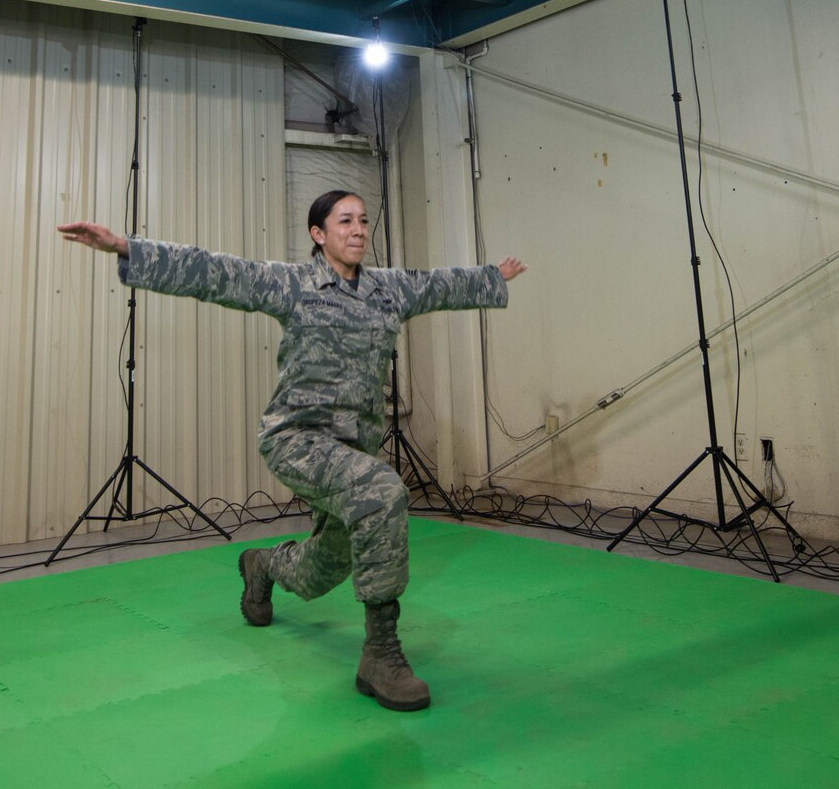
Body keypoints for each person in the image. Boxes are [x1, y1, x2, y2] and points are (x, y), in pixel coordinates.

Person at [56, 190, 524, 712]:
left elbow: (440, 285)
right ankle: (382, 654)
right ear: (318, 234)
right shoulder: (293, 285)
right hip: (296, 440)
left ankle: (263, 566)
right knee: (383, 491)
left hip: (352, 450)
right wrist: (127, 248)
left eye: (364, 220)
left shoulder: (388, 290)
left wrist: (491, 277)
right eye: (345, 221)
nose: (359, 229)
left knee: (321, 571)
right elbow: (216, 272)